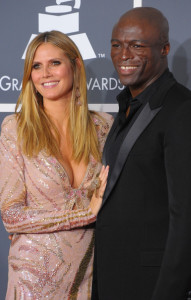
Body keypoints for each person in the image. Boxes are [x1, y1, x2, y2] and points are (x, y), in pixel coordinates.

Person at [0, 30, 113, 300]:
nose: (45, 73)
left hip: (92, 273)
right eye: (36, 66)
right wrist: (85, 214)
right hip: (34, 279)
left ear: (75, 65)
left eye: (55, 63)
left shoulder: (103, 126)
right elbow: (11, 215)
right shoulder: (16, 129)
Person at [92, 7, 191, 300]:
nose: (124, 55)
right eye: (116, 45)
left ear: (164, 48)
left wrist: (168, 292)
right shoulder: (126, 108)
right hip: (112, 278)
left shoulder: (181, 109)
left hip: (152, 284)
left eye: (137, 45)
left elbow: (185, 215)